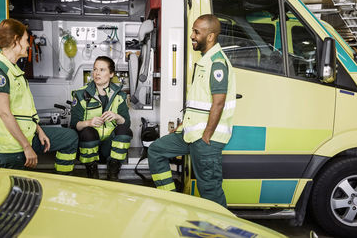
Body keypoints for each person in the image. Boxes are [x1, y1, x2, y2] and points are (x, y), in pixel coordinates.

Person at [148, 14, 236, 207]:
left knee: (210, 190)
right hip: (191, 134)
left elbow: (218, 104)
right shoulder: (206, 60)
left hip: (206, 139)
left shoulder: (217, 64)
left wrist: (207, 136)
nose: (192, 36)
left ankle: (219, 231)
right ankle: (171, 199)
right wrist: (181, 127)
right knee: (156, 151)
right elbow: (197, 104)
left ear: (211, 36)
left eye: (197, 32)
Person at [0, 18, 78, 173]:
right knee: (18, 192)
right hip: (13, 146)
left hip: (27, 135)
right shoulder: (0, 72)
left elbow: (24, 111)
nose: (28, 44)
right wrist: (26, 147)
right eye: (26, 40)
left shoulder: (13, 70)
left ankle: (63, 181)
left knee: (69, 137)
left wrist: (39, 131)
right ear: (16, 40)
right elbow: (4, 113)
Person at [71, 56, 132, 180]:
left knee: (125, 131)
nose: (97, 73)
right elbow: (74, 124)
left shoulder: (120, 95)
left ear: (111, 74)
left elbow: (127, 122)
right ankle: (91, 170)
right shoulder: (80, 94)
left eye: (102, 70)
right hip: (90, 147)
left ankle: (114, 169)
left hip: (110, 147)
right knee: (87, 131)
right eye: (95, 69)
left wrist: (117, 116)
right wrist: (89, 122)